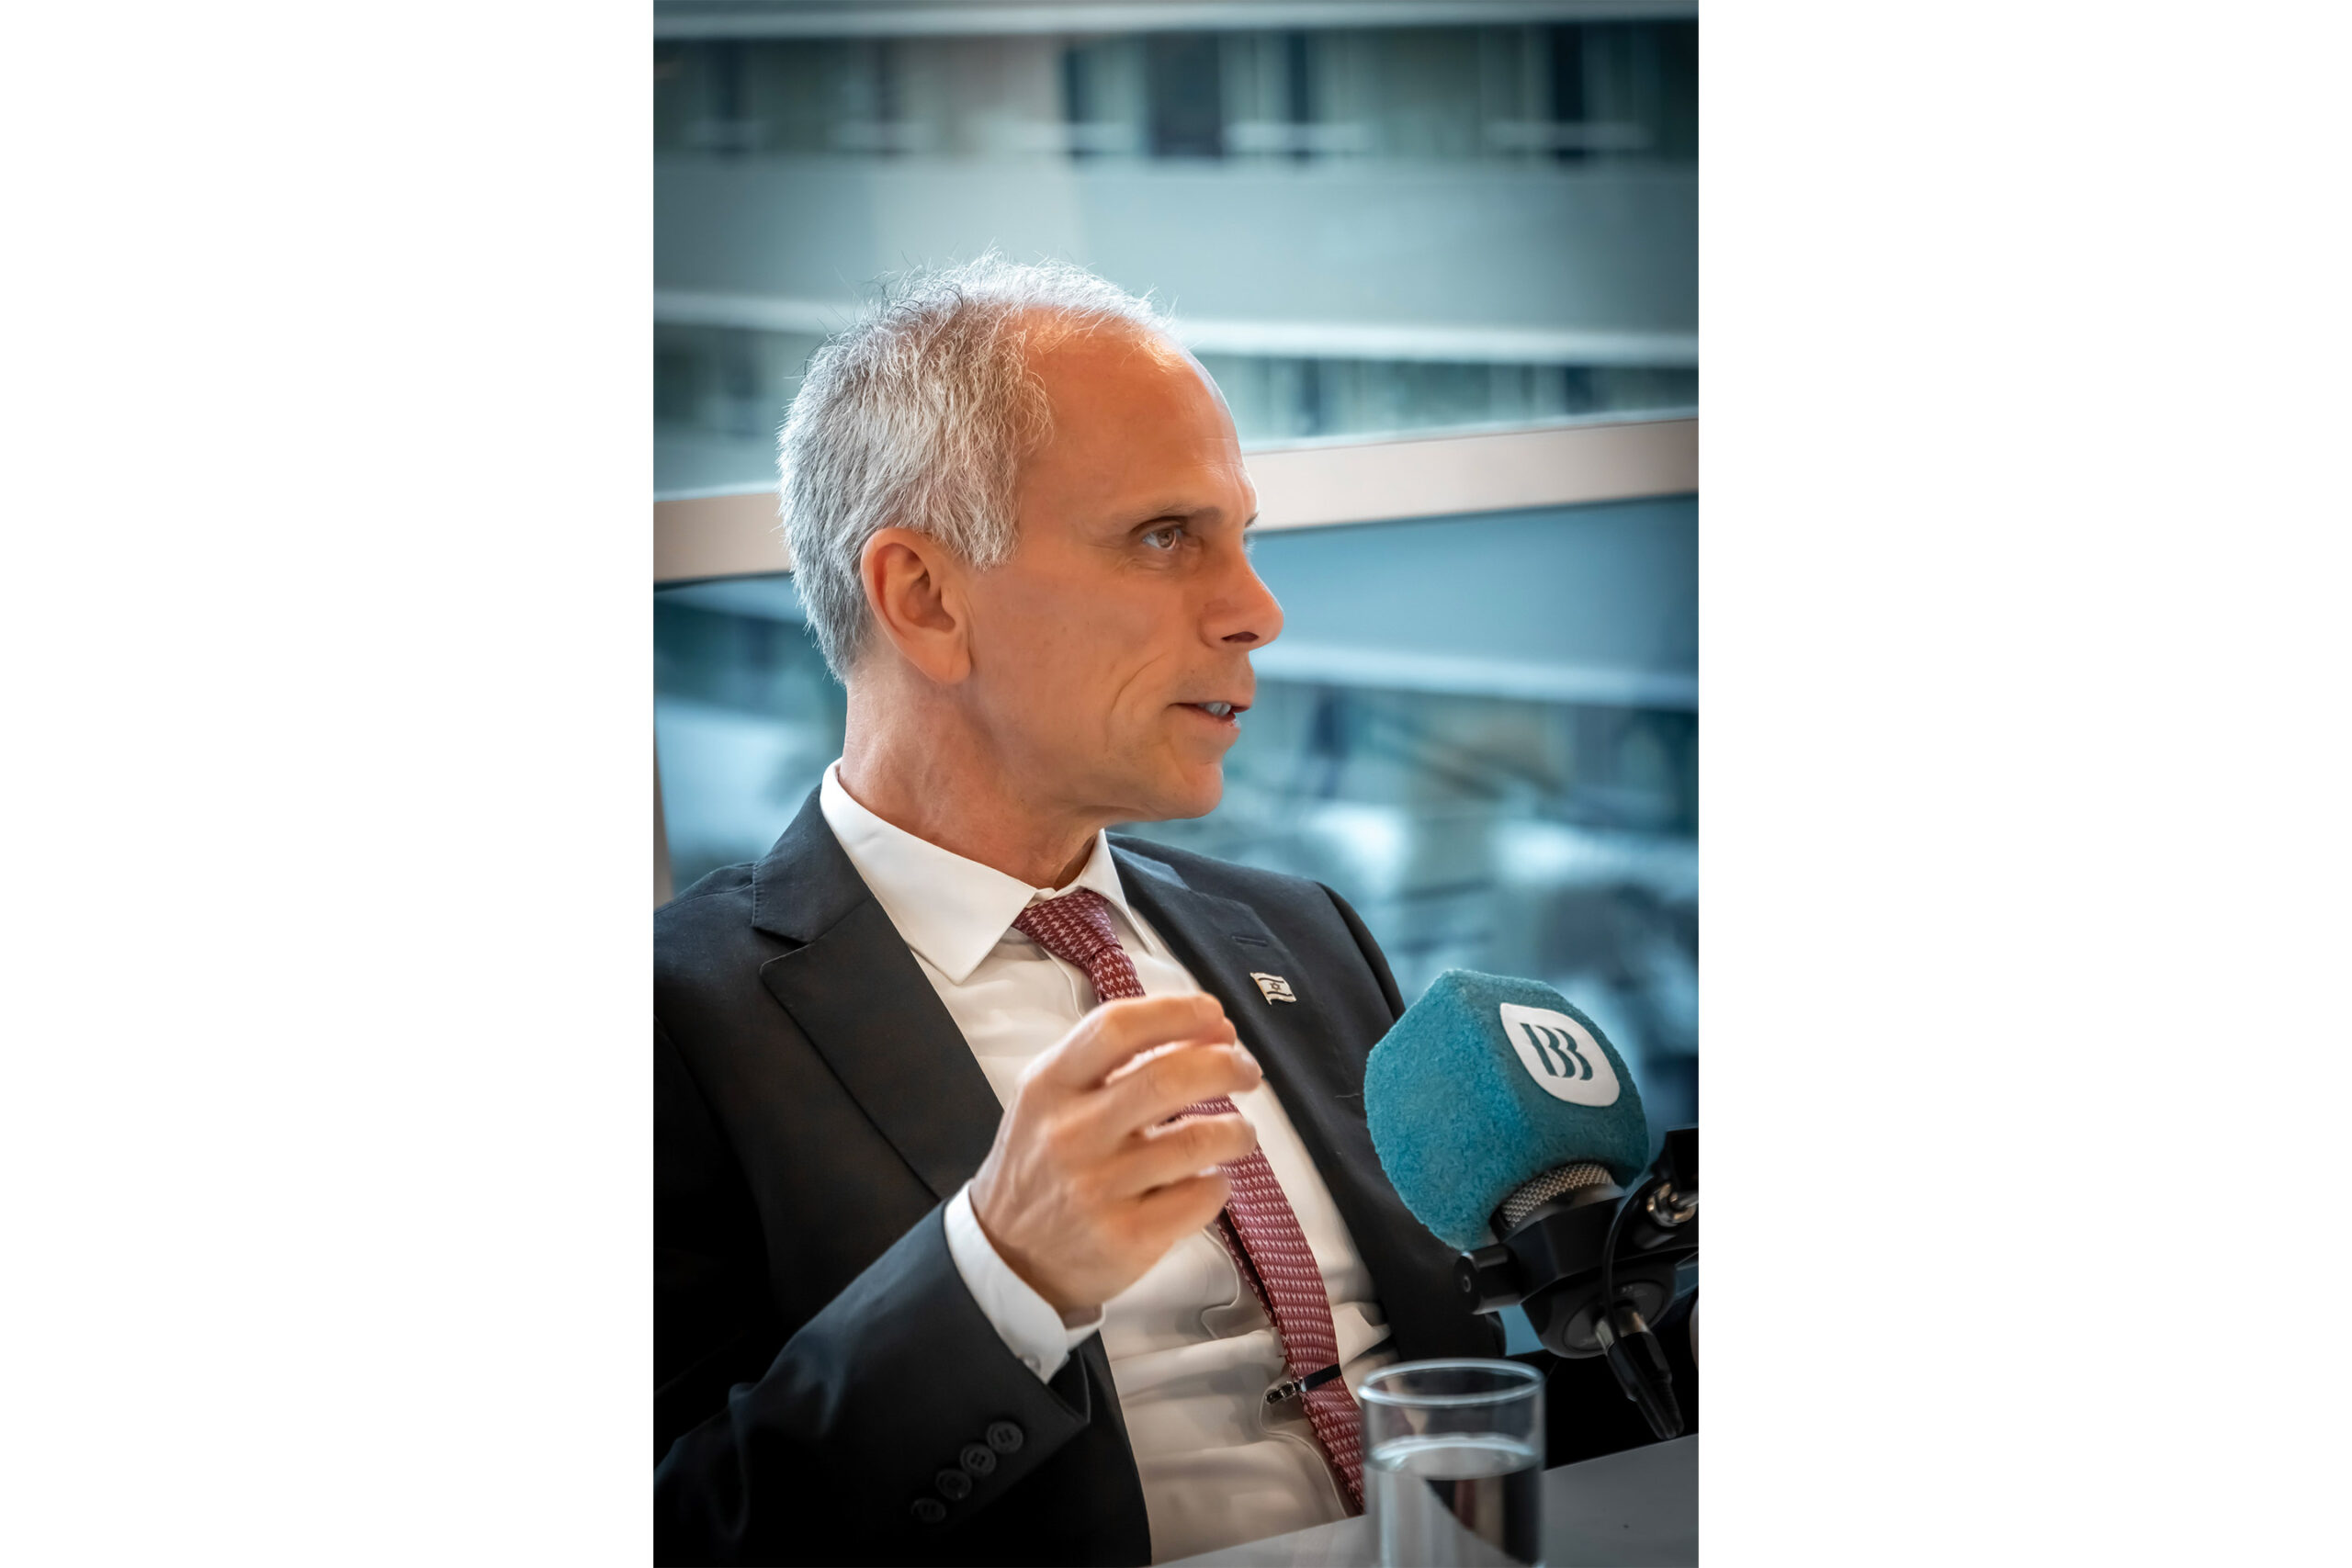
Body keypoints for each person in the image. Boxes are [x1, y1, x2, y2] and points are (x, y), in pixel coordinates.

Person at [653, 257, 1688, 1567]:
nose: (1258, 611)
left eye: (1242, 536)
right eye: (1164, 537)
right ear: (924, 598)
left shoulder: (1302, 932)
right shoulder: (676, 1019)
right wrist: (999, 1275)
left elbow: (1485, 1392)